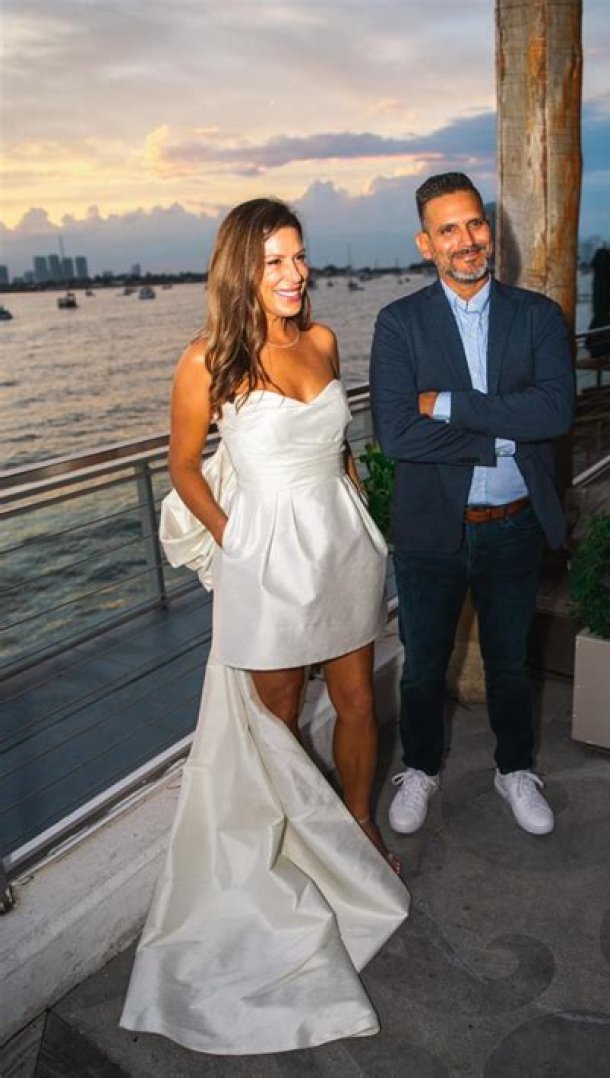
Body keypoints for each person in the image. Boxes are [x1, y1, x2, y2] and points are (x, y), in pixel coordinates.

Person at [120, 199, 408, 1055]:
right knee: (275, 725)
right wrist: (234, 540)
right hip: (267, 561)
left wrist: (357, 501)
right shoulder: (206, 359)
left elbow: (338, 445)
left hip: (341, 547)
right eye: (275, 261)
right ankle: (284, 855)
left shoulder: (322, 341)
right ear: (241, 269)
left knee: (358, 702)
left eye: (300, 257)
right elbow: (181, 466)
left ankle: (356, 830)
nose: (294, 274)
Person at [370, 172, 574, 839]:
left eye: (475, 223)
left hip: (513, 525)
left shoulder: (537, 315)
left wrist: (449, 405)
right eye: (449, 229)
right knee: (423, 667)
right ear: (425, 243)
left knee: (511, 663)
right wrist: (503, 434)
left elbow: (555, 413)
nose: (467, 240)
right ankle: (420, 768)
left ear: (490, 228)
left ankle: (514, 769)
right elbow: (397, 433)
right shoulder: (399, 323)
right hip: (431, 531)